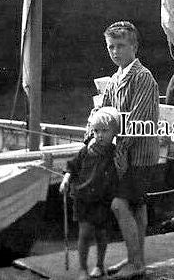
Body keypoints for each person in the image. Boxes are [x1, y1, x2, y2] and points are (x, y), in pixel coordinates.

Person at [99, 21, 159, 280]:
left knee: (118, 205)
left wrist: (116, 149)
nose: (115, 52)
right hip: (123, 154)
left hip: (139, 155)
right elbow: (102, 113)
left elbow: (138, 122)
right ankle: (136, 257)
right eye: (111, 47)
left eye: (121, 46)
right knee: (136, 207)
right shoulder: (114, 79)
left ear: (134, 47)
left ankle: (136, 264)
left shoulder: (143, 78)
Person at [59, 106, 121, 280]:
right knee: (84, 233)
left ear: (114, 132)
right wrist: (66, 179)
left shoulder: (115, 152)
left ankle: (100, 265)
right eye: (96, 131)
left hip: (103, 199)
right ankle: (82, 269)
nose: (99, 135)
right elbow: (72, 166)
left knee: (101, 233)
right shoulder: (87, 150)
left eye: (104, 131)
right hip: (84, 197)